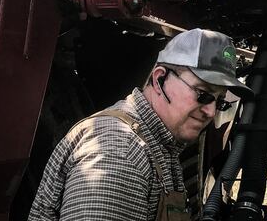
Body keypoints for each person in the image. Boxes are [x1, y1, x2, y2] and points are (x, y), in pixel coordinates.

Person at [29, 28, 253, 221]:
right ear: (159, 79)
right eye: (203, 95)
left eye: (220, 101)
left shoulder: (157, 143)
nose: (211, 111)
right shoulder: (119, 155)